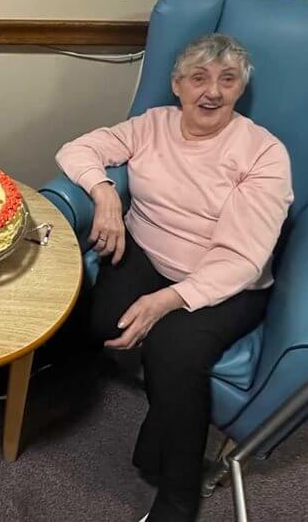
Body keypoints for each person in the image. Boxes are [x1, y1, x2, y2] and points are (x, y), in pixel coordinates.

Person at [56, 34, 293, 522]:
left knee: (172, 351)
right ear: (177, 85)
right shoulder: (153, 124)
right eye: (198, 78)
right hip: (148, 249)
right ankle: (54, 366)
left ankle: (179, 497)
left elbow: (244, 258)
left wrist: (167, 301)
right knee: (101, 321)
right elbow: (77, 149)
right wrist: (105, 195)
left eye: (227, 80)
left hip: (225, 281)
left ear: (240, 89)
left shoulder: (263, 153)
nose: (212, 92)